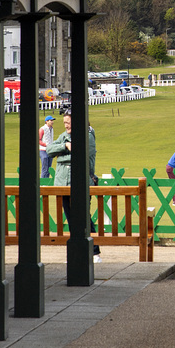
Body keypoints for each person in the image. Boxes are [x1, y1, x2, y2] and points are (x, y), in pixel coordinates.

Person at [46, 109, 101, 262]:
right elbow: (49, 150)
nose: (66, 126)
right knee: (71, 219)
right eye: (64, 123)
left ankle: (94, 252)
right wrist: (65, 146)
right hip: (64, 185)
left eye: (69, 123)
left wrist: (62, 157)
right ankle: (76, 253)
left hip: (82, 184)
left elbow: (80, 155)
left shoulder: (88, 136)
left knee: (83, 218)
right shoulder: (64, 137)